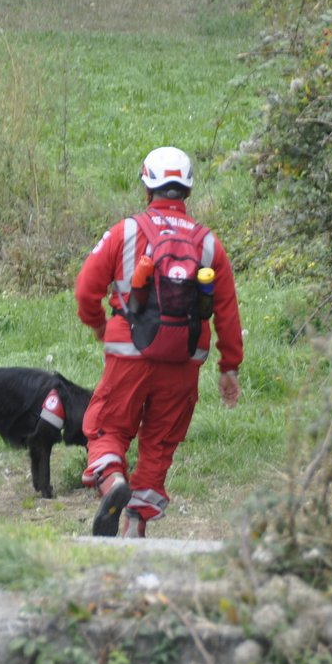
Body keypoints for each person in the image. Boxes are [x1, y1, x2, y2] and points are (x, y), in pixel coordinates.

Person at [74, 146, 243, 538]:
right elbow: (228, 312)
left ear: (147, 185)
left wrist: (98, 324)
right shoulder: (208, 245)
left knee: (106, 427)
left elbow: (86, 289)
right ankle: (136, 523)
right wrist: (229, 367)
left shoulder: (126, 231)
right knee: (160, 441)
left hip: (128, 353)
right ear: (187, 191)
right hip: (184, 360)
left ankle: (113, 480)